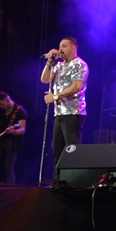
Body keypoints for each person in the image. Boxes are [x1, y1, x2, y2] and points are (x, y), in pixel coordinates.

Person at [42, 37, 89, 172]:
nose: (60, 49)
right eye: (59, 46)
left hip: (73, 113)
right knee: (57, 149)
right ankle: (58, 181)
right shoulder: (59, 65)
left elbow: (76, 86)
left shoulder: (79, 64)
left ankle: (73, 181)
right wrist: (49, 62)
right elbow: (44, 79)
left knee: (72, 149)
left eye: (64, 46)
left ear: (73, 48)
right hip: (59, 113)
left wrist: (55, 96)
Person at [0, 91, 26, 184]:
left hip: (12, 143)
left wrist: (13, 131)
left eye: (2, 104)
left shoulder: (19, 111)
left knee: (8, 167)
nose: (1, 106)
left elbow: (22, 129)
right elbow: (0, 125)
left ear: (7, 100)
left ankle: (10, 188)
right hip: (1, 141)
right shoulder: (3, 111)